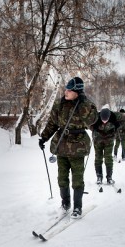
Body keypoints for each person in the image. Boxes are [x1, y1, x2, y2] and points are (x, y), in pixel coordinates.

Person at [39, 77, 98, 217]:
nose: (66, 92)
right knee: (62, 178)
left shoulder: (86, 105)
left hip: (78, 147)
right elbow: (52, 123)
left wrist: (82, 104)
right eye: (66, 89)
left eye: (69, 90)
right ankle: (65, 203)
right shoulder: (59, 104)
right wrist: (44, 137)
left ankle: (77, 207)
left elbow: (92, 122)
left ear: (77, 91)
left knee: (77, 179)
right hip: (62, 146)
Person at [90, 107, 125, 185]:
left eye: (106, 120)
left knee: (108, 158)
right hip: (98, 140)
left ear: (109, 117)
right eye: (103, 120)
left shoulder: (115, 116)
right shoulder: (96, 117)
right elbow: (88, 124)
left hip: (109, 140)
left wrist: (118, 126)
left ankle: (109, 177)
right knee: (98, 158)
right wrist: (94, 128)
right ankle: (99, 176)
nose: (104, 122)